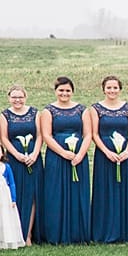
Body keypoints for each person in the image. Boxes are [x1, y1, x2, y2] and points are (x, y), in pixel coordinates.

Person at [38, 76, 90, 244]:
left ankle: (78, 233)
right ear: (55, 91)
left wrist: (80, 154)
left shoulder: (82, 110)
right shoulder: (48, 111)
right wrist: (63, 152)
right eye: (61, 90)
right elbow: (46, 135)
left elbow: (88, 134)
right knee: (56, 193)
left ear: (72, 91)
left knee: (77, 192)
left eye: (67, 90)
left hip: (78, 156)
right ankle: (57, 233)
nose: (64, 93)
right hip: (57, 156)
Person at [86, 75, 128, 243]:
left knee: (123, 191)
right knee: (104, 191)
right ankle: (103, 232)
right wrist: (106, 151)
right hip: (104, 155)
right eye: (109, 87)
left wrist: (127, 150)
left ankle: (124, 232)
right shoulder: (96, 108)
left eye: (115, 87)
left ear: (120, 89)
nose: (112, 90)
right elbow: (94, 134)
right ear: (103, 89)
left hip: (124, 155)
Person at [0, 84, 42, 244]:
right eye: (14, 97)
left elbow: (40, 136)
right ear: (9, 98)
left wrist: (35, 154)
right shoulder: (5, 115)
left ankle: (28, 234)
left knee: (32, 195)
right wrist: (16, 155)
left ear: (25, 97)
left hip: (33, 158)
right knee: (15, 195)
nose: (17, 100)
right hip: (14, 159)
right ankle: (15, 233)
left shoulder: (35, 113)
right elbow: (4, 138)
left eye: (20, 97)